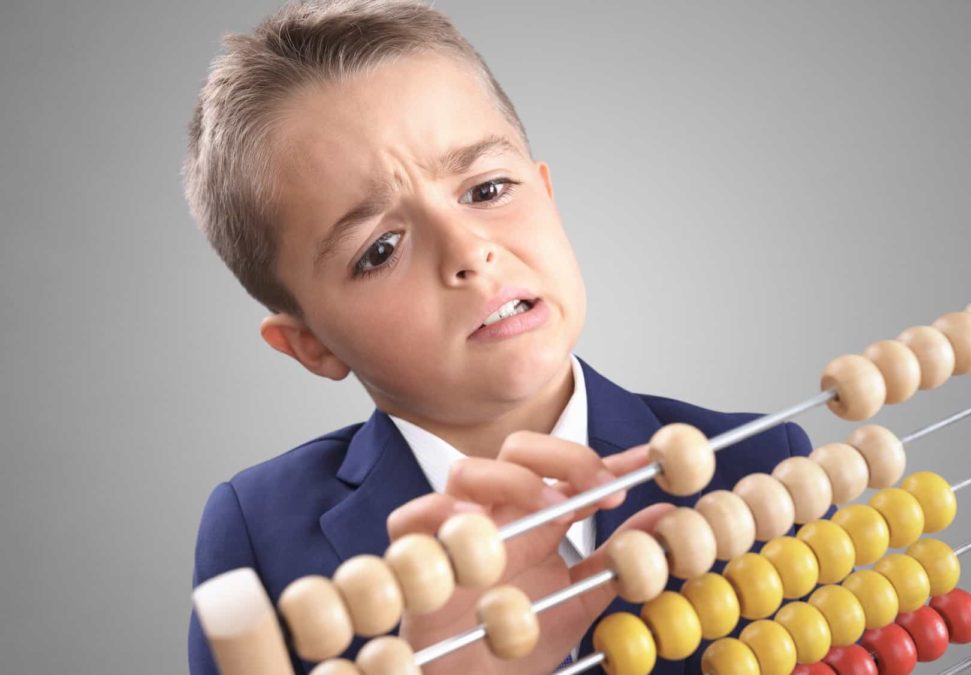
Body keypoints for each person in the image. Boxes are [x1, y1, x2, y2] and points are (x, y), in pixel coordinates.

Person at [184, 1, 813, 673]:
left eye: (486, 189)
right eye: (380, 249)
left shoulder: (759, 473)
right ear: (311, 344)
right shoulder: (260, 540)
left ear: (547, 195)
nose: (469, 250)